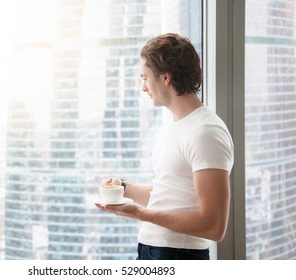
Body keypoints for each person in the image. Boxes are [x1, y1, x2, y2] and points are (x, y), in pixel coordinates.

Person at [96, 33, 234, 260]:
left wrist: (140, 214)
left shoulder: (206, 132)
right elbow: (169, 196)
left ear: (165, 78)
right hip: (151, 251)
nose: (143, 87)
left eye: (145, 77)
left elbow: (214, 225)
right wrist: (122, 188)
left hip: (178, 255)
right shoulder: (171, 128)